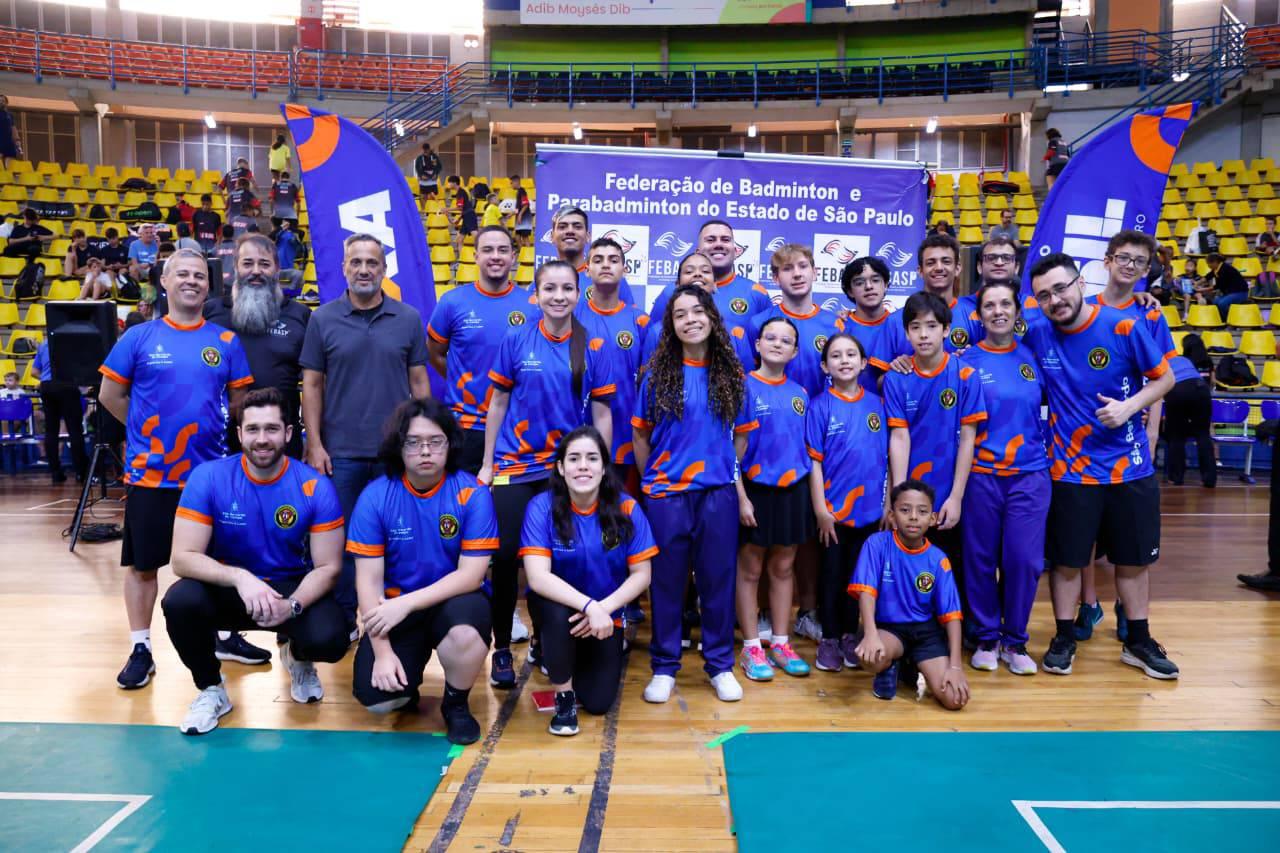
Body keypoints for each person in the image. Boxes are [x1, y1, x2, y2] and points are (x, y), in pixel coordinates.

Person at [98, 249, 254, 689]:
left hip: (208, 478)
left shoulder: (225, 342)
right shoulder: (139, 337)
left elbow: (238, 405)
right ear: (164, 283)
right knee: (144, 566)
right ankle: (141, 647)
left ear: (210, 285)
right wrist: (144, 429)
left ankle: (226, 636)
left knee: (220, 560)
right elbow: (110, 395)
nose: (191, 281)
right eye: (182, 274)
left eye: (199, 275)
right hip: (152, 475)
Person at [1024, 252, 1178, 679]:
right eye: (1043, 295)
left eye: (1060, 288)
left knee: (1132, 560)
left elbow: (1164, 378)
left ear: (1080, 283)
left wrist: (1130, 407)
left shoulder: (1123, 325)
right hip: (1070, 471)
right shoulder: (1037, 333)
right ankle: (1063, 636)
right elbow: (986, 327)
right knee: (1068, 561)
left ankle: (1139, 640)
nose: (1055, 300)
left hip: (1129, 469)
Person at [162, 388, 349, 735]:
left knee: (331, 638)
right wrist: (239, 578)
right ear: (239, 434)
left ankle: (298, 656)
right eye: (252, 429)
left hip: (289, 588)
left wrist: (292, 606)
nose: (262, 439)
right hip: (230, 589)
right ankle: (211, 690)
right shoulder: (210, 477)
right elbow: (182, 558)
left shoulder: (315, 486)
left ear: (289, 434)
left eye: (272, 429)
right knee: (180, 601)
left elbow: (328, 567)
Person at [479, 260, 614, 689]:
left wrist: (599, 465)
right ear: (535, 294)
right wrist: (486, 464)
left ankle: (543, 639)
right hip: (514, 466)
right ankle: (501, 647)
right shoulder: (517, 339)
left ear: (579, 293)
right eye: (550, 288)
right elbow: (497, 404)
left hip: (563, 471)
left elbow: (602, 412)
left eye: (567, 289)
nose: (559, 296)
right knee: (503, 560)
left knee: (554, 561)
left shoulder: (592, 345)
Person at [633, 285, 757, 704]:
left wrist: (721, 467)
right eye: (680, 314)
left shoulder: (732, 375)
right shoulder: (656, 375)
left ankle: (720, 665)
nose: (690, 319)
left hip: (717, 494)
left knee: (717, 582)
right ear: (671, 325)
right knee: (666, 583)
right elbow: (640, 435)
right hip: (666, 496)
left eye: (697, 311)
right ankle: (664, 667)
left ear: (712, 318)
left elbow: (740, 438)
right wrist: (655, 479)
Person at [301, 233, 431, 626]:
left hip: (395, 452)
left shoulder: (407, 318)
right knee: (339, 539)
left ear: (384, 269)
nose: (363, 269)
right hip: (339, 453)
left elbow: (420, 383)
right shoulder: (322, 319)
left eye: (371, 262)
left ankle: (390, 609)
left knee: (396, 534)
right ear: (343, 268)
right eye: (355, 262)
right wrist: (315, 443)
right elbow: (311, 384)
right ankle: (345, 616)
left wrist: (426, 439)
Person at [348, 398, 495, 745]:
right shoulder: (376, 496)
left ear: (450, 444)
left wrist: (407, 603)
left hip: (454, 600)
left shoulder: (472, 493)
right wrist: (382, 653)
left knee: (464, 635)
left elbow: (471, 575)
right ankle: (406, 681)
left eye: (435, 441)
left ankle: (456, 705)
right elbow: (367, 583)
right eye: (413, 442)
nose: (424, 451)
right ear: (399, 448)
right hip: (396, 608)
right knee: (378, 699)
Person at [1075, 230, 1178, 639]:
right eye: (1123, 258)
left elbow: (1162, 378)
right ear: (1107, 260)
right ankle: (1087, 604)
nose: (1130, 266)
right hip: (1082, 442)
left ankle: (1126, 609)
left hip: (1129, 444)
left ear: (1147, 269)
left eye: (1139, 261)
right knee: (1080, 537)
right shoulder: (1084, 309)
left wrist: (1152, 433)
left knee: (1128, 540)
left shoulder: (1150, 314)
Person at [521, 426, 656, 735]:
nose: (583, 466)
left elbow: (642, 576)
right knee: (554, 613)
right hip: (559, 608)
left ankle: (566, 656)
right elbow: (538, 577)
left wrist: (601, 609)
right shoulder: (541, 508)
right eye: (574, 458)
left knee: (598, 702)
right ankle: (564, 698)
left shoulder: (627, 508)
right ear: (560, 467)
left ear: (604, 467)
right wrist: (587, 605)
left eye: (592, 458)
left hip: (605, 615)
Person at [959, 281, 1050, 675]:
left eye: (1005, 304)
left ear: (1017, 312)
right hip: (981, 474)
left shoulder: (1035, 357)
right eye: (990, 305)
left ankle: (1015, 641)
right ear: (979, 315)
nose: (998, 311)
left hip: (1030, 475)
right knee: (979, 559)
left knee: (1024, 560)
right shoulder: (965, 362)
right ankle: (985, 637)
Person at [883, 291, 985, 608]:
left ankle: (950, 632)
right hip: (913, 488)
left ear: (945, 329)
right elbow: (900, 438)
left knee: (950, 563)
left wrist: (955, 497)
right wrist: (899, 497)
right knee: (907, 563)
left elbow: (968, 437)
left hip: (950, 487)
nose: (923, 334)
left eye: (931, 326)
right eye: (915, 327)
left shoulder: (965, 375)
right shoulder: (896, 378)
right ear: (906, 332)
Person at [735, 317, 812, 680]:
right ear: (758, 345)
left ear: (795, 351)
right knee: (750, 570)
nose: (778, 344)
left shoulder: (801, 394)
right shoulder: (743, 387)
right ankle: (752, 647)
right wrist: (741, 499)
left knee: (783, 569)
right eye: (771, 337)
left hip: (793, 489)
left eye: (786, 340)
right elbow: (730, 451)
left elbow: (806, 449)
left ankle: (780, 642)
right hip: (755, 490)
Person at [807, 332, 889, 672]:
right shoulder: (819, 405)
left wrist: (887, 503)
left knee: (860, 577)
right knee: (832, 576)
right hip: (834, 513)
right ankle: (828, 638)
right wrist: (821, 510)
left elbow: (884, 457)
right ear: (825, 365)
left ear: (864, 362)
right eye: (836, 356)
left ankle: (848, 635)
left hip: (870, 511)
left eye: (851, 354)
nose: (844, 360)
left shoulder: (876, 405)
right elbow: (814, 461)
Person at [850, 479, 970, 710]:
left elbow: (952, 615)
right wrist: (870, 633)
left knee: (955, 699)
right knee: (871, 656)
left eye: (922, 511)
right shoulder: (876, 544)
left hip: (926, 634)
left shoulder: (938, 559)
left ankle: (910, 665)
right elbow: (866, 592)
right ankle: (889, 665)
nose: (913, 517)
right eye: (905, 510)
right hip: (889, 630)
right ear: (892, 516)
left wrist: (955, 667)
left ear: (932, 519)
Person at [428, 226, 536, 474]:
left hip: (515, 426)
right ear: (475, 256)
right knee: (464, 505)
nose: (495, 256)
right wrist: (464, 379)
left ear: (514, 257)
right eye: (487, 250)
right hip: (465, 426)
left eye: (502, 250)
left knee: (508, 508)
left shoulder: (532, 306)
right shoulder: (452, 302)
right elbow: (434, 353)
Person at [204, 233, 311, 459]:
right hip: (220, 441)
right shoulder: (211, 313)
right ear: (235, 267)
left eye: (264, 264)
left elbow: (315, 384)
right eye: (247, 263)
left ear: (277, 268)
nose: (256, 271)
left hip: (282, 441)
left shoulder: (300, 315)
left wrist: (314, 438)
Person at [575, 237, 649, 489]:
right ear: (587, 269)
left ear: (625, 269)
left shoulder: (641, 322)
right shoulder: (571, 317)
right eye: (598, 260)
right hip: (578, 438)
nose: (606, 265)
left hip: (628, 441)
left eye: (613, 260)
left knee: (619, 520)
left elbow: (647, 385)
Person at [648, 220, 771, 368]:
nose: (718, 244)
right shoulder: (671, 293)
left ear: (735, 249)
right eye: (710, 240)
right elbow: (655, 337)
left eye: (725, 239)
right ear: (698, 251)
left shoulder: (757, 293)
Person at [749, 244, 845, 397]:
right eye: (787, 269)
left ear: (814, 273)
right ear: (775, 278)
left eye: (803, 266)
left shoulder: (835, 324)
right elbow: (750, 376)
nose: (797, 274)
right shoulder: (758, 323)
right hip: (775, 414)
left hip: (821, 416)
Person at [840, 257, 909, 393]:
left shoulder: (903, 326)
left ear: (886, 285)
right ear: (849, 291)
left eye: (876, 280)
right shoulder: (840, 326)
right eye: (859, 283)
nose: (869, 286)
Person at [551, 205, 638, 307]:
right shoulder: (542, 281)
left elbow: (630, 318)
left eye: (577, 226)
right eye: (562, 227)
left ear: (588, 236)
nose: (570, 231)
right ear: (552, 236)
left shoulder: (612, 277)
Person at [1163, 334, 1215, 488]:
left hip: (1178, 390)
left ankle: (1176, 477)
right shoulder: (1187, 361)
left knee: (1177, 436)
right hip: (1201, 389)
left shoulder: (1162, 361)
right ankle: (1209, 479)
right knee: (1203, 435)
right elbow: (1211, 381)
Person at [31, 340, 87, 484]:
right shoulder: (74, 342)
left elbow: (34, 371)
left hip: (47, 386)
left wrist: (47, 377)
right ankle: (81, 472)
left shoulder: (44, 344)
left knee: (51, 430)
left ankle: (55, 473)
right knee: (75, 430)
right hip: (68, 385)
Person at [917, 233, 982, 352]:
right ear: (920, 271)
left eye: (946, 261)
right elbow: (882, 370)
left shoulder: (976, 318)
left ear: (957, 269)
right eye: (931, 263)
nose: (939, 268)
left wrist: (967, 361)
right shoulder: (897, 321)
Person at [0, 94, 19, 169]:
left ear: (6, 103)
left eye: (2, 101)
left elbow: (13, 127)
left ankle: (9, 178)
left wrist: (17, 139)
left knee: (9, 168)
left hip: (9, 143)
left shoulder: (9, 115)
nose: (0, 102)